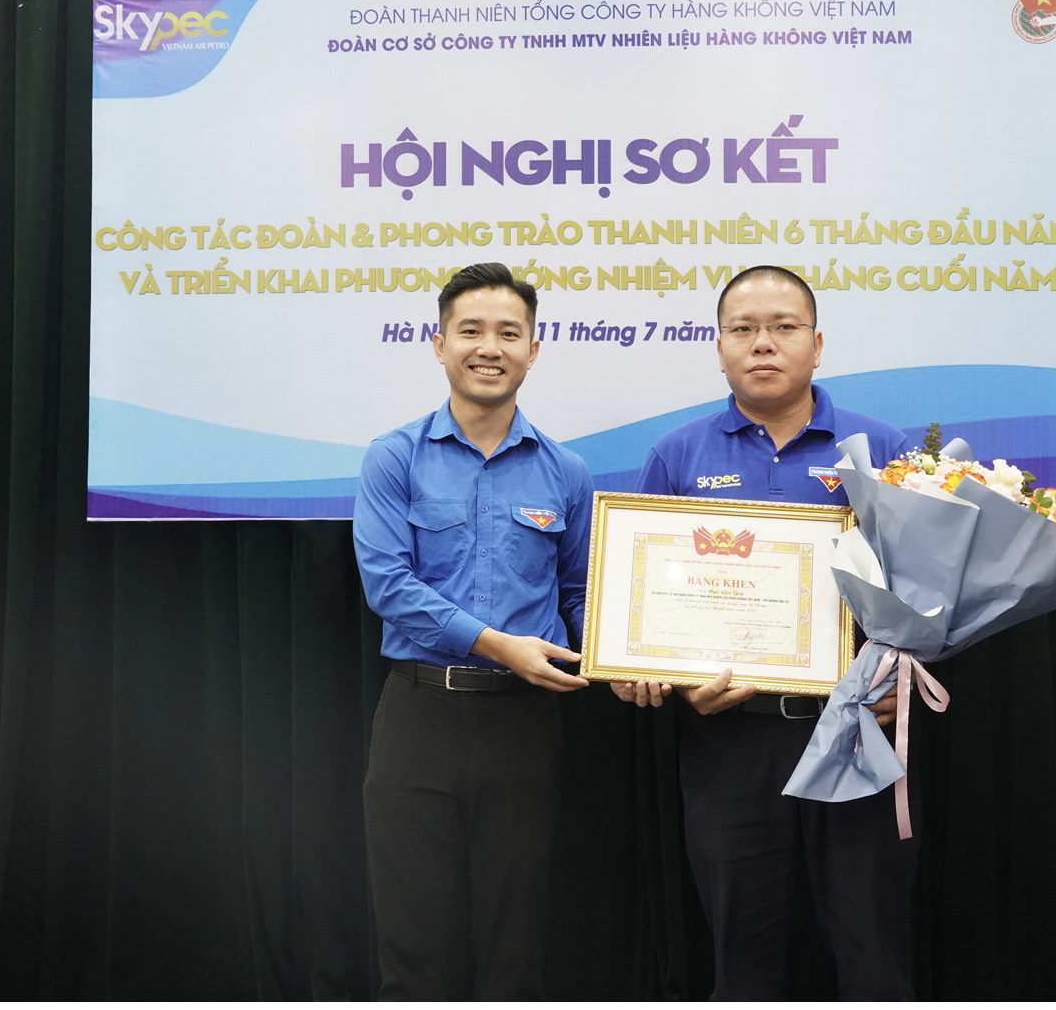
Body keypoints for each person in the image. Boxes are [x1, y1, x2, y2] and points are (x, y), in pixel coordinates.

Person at [612, 265, 916, 1000]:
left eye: (783, 327)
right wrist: (661, 676)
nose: (763, 343)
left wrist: (899, 679)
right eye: (743, 329)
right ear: (719, 347)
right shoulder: (678, 456)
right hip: (729, 741)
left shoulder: (880, 449)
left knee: (872, 952)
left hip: (855, 734)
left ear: (818, 343)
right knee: (742, 956)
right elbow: (640, 608)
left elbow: (924, 589)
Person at [353, 262, 592, 1000]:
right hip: (418, 714)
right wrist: (497, 645)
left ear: (533, 349)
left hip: (524, 724)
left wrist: (635, 659)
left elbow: (581, 596)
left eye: (509, 333)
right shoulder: (394, 456)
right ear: (439, 343)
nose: (490, 348)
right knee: (411, 935)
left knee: (515, 934)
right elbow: (388, 586)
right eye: (471, 331)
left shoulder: (566, 472)